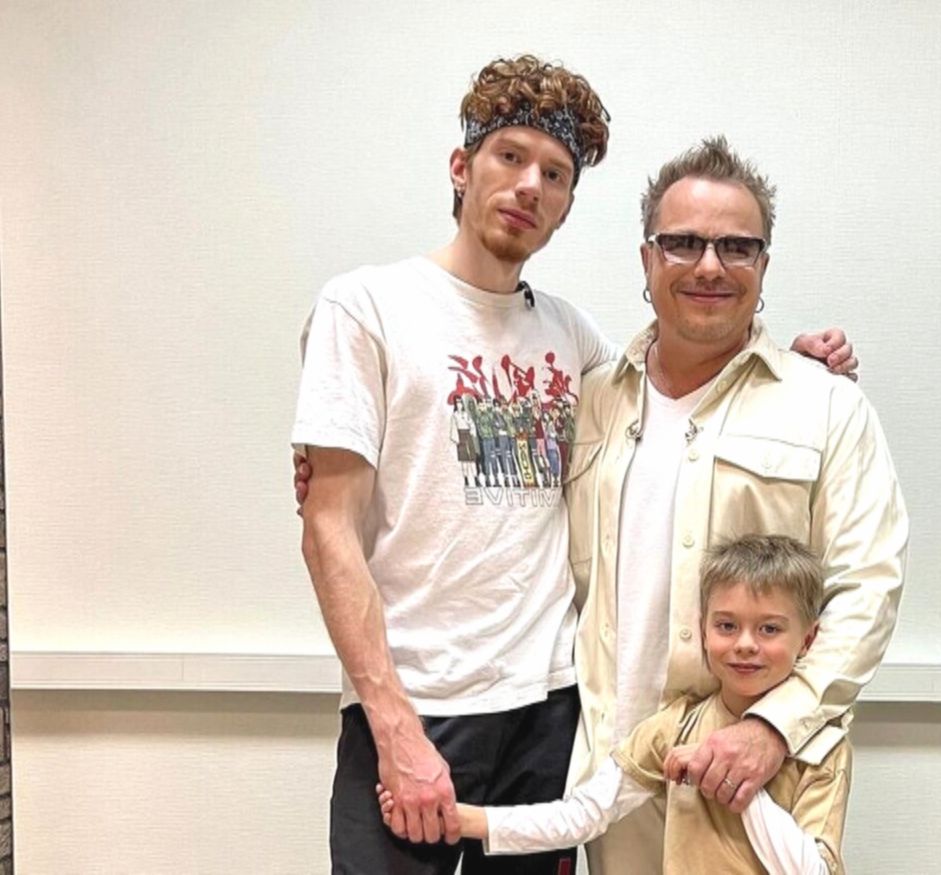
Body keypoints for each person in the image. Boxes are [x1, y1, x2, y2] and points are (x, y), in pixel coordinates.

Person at [292, 56, 855, 874]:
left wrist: (791, 365)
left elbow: (680, 385)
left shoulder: (573, 336)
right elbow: (327, 530)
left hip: (549, 713)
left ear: (565, 204)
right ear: (461, 167)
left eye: (554, 174)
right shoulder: (366, 307)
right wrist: (391, 721)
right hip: (416, 705)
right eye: (509, 157)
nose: (530, 185)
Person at [564, 136, 908, 873]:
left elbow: (866, 590)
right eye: (683, 242)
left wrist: (772, 728)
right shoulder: (590, 401)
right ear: (647, 259)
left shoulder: (826, 407)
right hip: (615, 777)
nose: (710, 266)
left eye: (736, 247)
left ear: (763, 266)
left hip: (754, 780)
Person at [381, 535, 851, 874]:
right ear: (702, 630)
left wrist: (732, 783)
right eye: (727, 626)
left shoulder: (823, 747)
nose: (745, 644)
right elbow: (584, 814)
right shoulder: (676, 726)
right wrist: (465, 818)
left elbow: (814, 869)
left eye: (769, 629)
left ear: (808, 639)